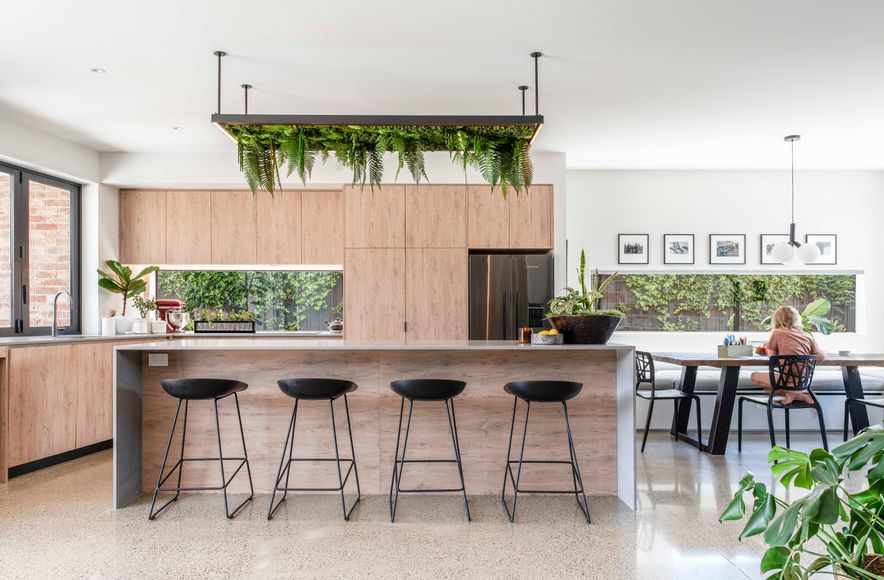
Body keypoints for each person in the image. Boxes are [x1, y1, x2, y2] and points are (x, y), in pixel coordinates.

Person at [750, 305, 825, 405]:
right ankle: (795, 394)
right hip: (804, 382)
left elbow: (772, 358)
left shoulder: (776, 333)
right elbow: (821, 357)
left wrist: (769, 349)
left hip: (786, 380)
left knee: (754, 376)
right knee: (767, 390)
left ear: (776, 321)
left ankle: (799, 395)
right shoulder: (808, 336)